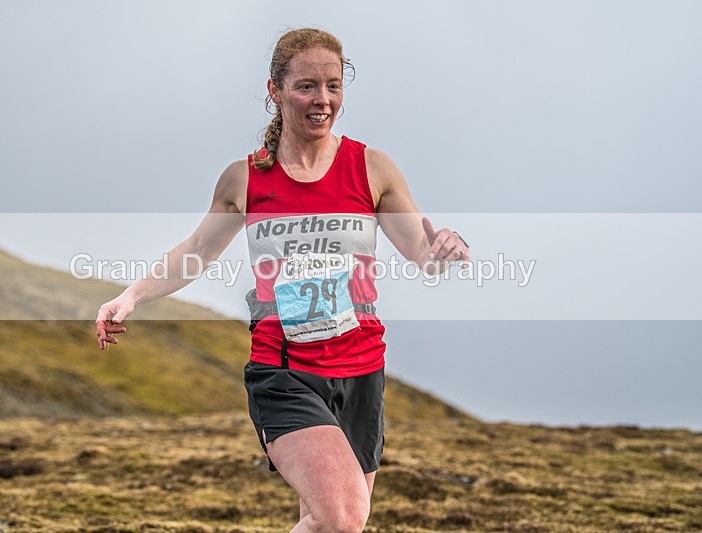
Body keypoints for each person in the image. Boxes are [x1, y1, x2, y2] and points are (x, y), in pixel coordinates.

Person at [95, 27, 470, 533]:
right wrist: (130, 296)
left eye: (333, 86)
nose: (323, 100)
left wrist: (448, 250)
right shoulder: (246, 179)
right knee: (341, 518)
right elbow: (196, 252)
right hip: (284, 370)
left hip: (361, 371)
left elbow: (425, 255)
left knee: (332, 525)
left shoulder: (371, 169)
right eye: (307, 86)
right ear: (274, 91)